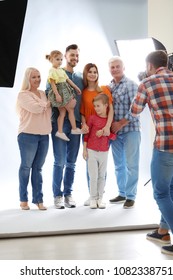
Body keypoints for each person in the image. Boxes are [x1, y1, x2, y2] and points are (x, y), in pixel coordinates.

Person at [130, 50, 173, 258]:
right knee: (170, 187)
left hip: (167, 145)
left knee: (160, 193)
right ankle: (162, 231)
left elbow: (135, 110)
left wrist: (144, 83)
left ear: (150, 66)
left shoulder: (147, 84)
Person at [47, 44, 85, 209]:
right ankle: (57, 196)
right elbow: (50, 95)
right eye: (72, 55)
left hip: (76, 123)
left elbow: (84, 99)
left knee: (71, 162)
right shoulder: (56, 73)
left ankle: (68, 193)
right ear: (65, 56)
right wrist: (65, 101)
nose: (75, 58)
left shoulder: (79, 77)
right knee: (59, 161)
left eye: (77, 56)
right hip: (60, 124)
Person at [16, 67, 51, 211]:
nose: (37, 80)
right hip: (27, 135)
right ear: (27, 79)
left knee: (38, 168)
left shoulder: (43, 94)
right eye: (33, 77)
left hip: (44, 135)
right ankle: (23, 199)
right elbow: (36, 109)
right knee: (26, 167)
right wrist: (46, 105)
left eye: (38, 76)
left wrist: (44, 105)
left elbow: (48, 111)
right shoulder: (23, 95)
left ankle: (38, 200)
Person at [108, 56, 141, 209]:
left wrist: (120, 123)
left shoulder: (131, 85)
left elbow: (137, 108)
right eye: (112, 67)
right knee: (119, 165)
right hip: (115, 133)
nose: (115, 69)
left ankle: (131, 196)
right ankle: (122, 193)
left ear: (123, 67)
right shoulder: (108, 87)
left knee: (131, 165)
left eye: (117, 66)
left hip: (130, 131)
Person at [80, 63, 114, 206]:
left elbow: (111, 109)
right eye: (90, 72)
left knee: (102, 169)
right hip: (90, 132)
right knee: (91, 167)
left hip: (104, 132)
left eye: (95, 71)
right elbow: (82, 113)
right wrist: (84, 124)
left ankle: (101, 196)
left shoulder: (104, 89)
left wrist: (107, 127)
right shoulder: (84, 92)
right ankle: (92, 195)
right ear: (86, 74)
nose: (93, 74)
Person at [83, 94, 115, 209]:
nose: (96, 108)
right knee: (93, 176)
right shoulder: (92, 118)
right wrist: (84, 149)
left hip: (104, 152)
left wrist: (106, 133)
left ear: (106, 105)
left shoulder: (109, 121)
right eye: (95, 106)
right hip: (91, 150)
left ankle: (100, 198)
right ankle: (93, 198)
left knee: (102, 176)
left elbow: (113, 137)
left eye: (98, 106)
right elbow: (86, 135)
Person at [46, 50, 83, 142]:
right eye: (57, 59)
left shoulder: (61, 70)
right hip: (60, 92)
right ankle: (73, 129)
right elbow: (53, 84)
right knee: (69, 110)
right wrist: (57, 95)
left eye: (61, 59)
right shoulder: (52, 71)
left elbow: (68, 80)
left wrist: (76, 87)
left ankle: (60, 131)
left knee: (63, 112)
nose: (60, 61)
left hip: (65, 90)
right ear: (51, 60)